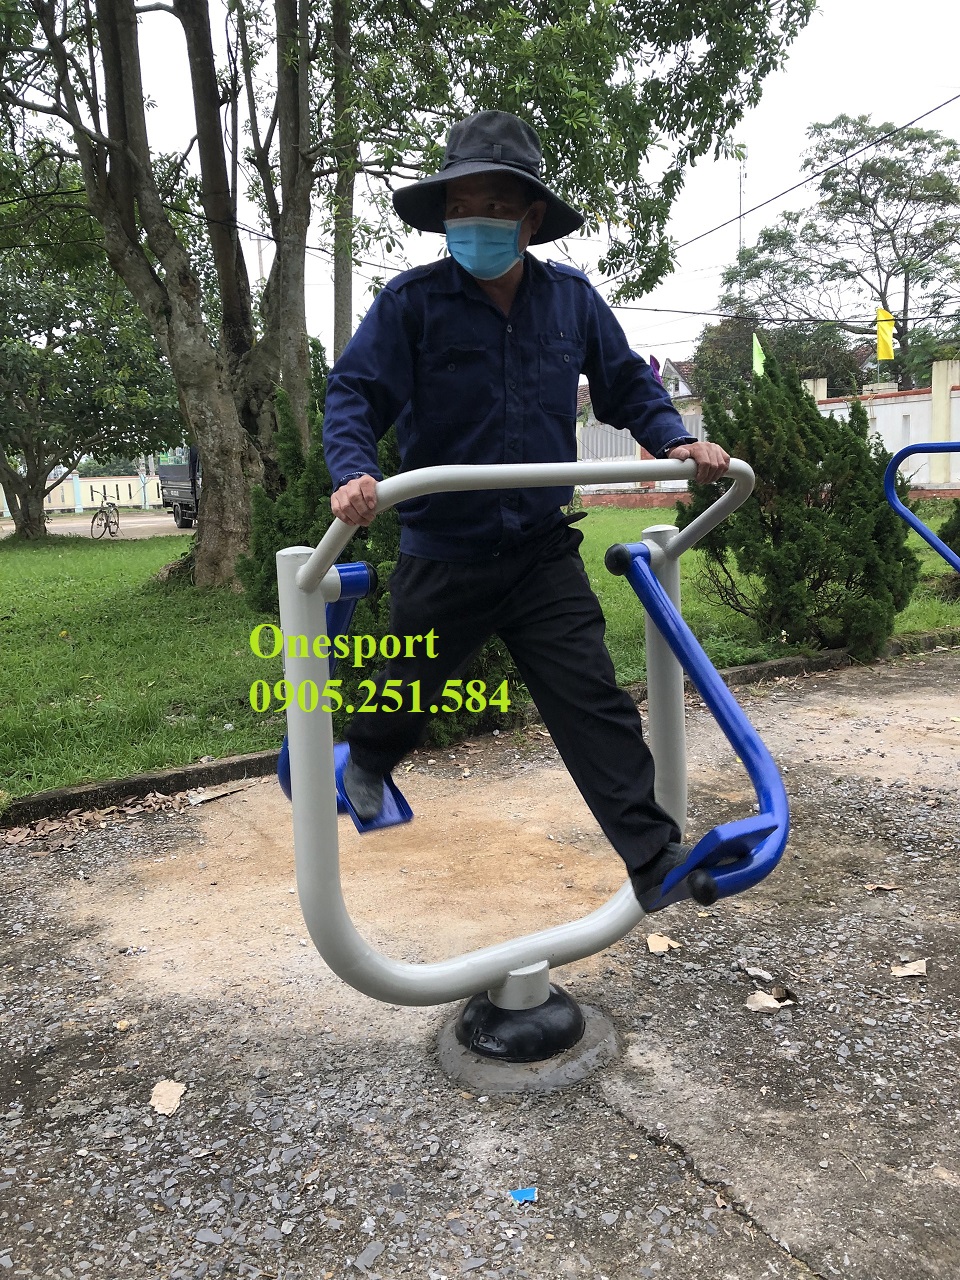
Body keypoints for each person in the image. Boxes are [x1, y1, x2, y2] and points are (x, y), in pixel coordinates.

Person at [322, 110, 729, 906]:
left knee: (594, 702)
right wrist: (353, 470)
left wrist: (675, 438)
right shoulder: (411, 303)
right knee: (406, 691)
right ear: (445, 218)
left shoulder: (571, 301)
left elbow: (626, 383)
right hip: (445, 550)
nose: (475, 221)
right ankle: (365, 760)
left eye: (496, 207)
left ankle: (653, 861)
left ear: (531, 219)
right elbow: (355, 394)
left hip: (541, 549)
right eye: (461, 207)